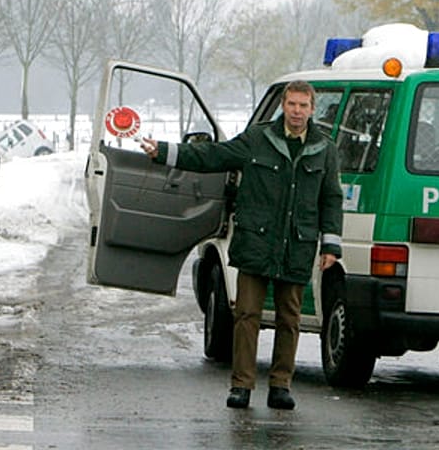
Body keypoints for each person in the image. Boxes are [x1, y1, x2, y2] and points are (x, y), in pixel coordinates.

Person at [140, 80, 343, 411]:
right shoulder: (258, 139)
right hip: (256, 241)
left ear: (312, 109)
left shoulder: (325, 149)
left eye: (303, 106)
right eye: (291, 104)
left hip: (297, 244)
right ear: (283, 106)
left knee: (289, 318)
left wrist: (330, 245)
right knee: (247, 314)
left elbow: (331, 198)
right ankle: (242, 385)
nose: (296, 111)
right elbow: (213, 155)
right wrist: (166, 152)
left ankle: (280, 385)